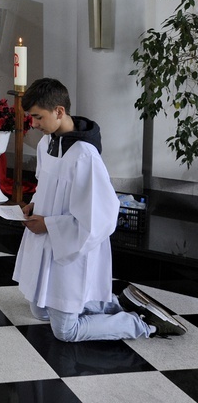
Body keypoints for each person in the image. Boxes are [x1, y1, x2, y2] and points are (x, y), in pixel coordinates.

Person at [13, 78, 187, 341]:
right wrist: (35, 204)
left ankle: (144, 324)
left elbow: (99, 218)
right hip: (47, 241)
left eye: (38, 117)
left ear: (59, 112)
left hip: (71, 248)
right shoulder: (46, 144)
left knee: (66, 332)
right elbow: (45, 185)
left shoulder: (84, 155)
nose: (33, 124)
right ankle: (116, 304)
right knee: (40, 312)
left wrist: (48, 224)